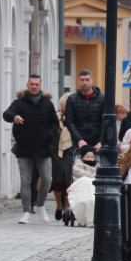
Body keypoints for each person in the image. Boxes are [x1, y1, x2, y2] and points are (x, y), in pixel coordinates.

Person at [3, 74, 61, 225]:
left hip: (43, 148)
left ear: (40, 86)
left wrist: (49, 135)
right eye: (31, 84)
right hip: (24, 147)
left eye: (37, 84)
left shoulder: (47, 104)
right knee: (26, 181)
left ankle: (40, 205)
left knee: (47, 178)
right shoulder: (19, 103)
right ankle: (26, 211)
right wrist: (14, 117)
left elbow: (55, 124)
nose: (34, 86)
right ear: (27, 85)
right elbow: (6, 114)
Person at [65, 69, 105, 152]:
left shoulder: (102, 98)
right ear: (78, 81)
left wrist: (102, 141)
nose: (85, 83)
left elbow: (105, 121)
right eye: (82, 80)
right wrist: (79, 139)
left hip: (98, 141)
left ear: (92, 80)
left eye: (87, 80)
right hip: (79, 141)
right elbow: (70, 122)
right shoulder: (72, 99)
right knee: (78, 164)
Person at [51, 94, 75, 224]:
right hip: (55, 149)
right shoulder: (55, 116)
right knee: (56, 180)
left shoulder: (75, 117)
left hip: (70, 149)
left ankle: (67, 207)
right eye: (66, 102)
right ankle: (59, 204)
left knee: (68, 180)